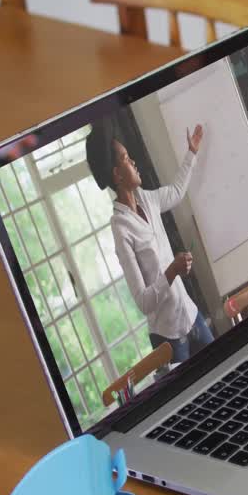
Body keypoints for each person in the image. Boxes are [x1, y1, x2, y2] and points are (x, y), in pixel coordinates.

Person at [86, 121, 214, 366]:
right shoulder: (120, 228)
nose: (133, 162)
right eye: (126, 158)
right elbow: (144, 302)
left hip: (190, 315)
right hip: (169, 341)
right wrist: (173, 270)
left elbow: (177, 191)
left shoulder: (147, 199)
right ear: (117, 174)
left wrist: (192, 152)